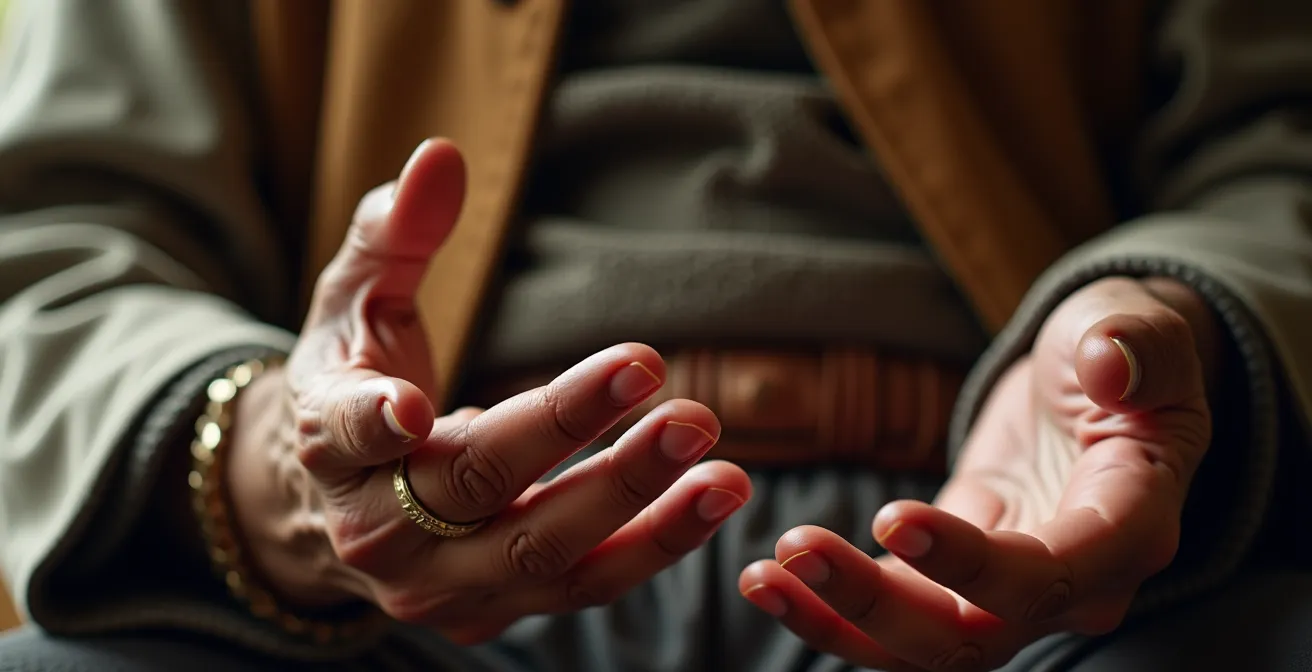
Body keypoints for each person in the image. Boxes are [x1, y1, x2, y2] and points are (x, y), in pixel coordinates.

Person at [0, 0, 1310, 670]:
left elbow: (1280, 144)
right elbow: (60, 236)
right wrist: (278, 468)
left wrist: (1163, 322)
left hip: (1034, 568)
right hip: (394, 598)